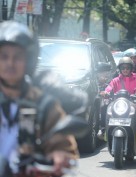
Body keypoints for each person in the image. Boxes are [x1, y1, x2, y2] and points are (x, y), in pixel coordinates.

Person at [0, 21, 78, 176]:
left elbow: (64, 148)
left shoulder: (44, 105)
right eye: (4, 56)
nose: (10, 63)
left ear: (29, 61)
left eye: (18, 57)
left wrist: (59, 157)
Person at [99, 57, 136, 139]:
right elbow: (109, 88)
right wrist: (106, 93)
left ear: (131, 69)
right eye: (123, 68)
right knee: (104, 106)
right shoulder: (115, 80)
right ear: (120, 69)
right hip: (118, 105)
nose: (125, 70)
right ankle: (104, 130)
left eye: (127, 68)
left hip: (134, 104)